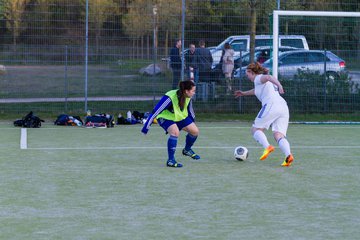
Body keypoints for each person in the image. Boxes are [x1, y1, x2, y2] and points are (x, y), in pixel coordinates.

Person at [234, 62, 294, 167]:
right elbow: (256, 91)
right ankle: (288, 156)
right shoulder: (259, 83)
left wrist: (279, 85)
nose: (247, 77)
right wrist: (243, 93)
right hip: (283, 106)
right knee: (278, 135)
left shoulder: (258, 78)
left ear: (251, 72)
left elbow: (269, 77)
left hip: (271, 105)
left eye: (247, 74)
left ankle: (267, 147)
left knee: (255, 129)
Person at [141, 80, 200, 168]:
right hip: (165, 117)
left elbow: (190, 110)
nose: (194, 93)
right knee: (175, 132)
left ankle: (187, 150)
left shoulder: (188, 97)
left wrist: (192, 122)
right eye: (193, 91)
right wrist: (146, 126)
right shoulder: (170, 97)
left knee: (195, 131)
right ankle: (171, 160)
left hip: (178, 117)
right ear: (186, 91)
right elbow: (156, 110)